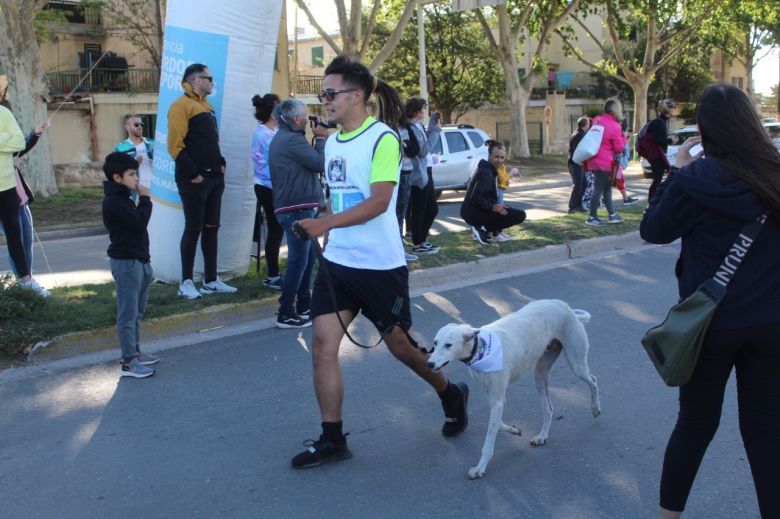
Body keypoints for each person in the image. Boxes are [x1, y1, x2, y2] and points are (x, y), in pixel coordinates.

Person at [292, 56, 469, 469]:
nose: (325, 100)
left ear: (356, 96)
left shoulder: (383, 139)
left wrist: (323, 223)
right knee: (322, 346)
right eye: (324, 93)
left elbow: (378, 202)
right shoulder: (332, 141)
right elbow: (340, 196)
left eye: (331, 93)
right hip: (337, 262)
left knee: (403, 349)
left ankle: (450, 392)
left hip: (379, 266)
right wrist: (324, 225)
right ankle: (332, 438)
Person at [640, 84, 780, 519]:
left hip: (708, 326)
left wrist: (676, 172)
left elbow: (654, 230)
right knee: (766, 433)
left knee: (696, 425)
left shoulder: (695, 180)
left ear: (703, 129)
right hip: (772, 324)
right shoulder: (775, 173)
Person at [167, 63, 237, 299]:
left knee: (211, 229)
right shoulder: (180, 106)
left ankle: (211, 280)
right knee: (193, 228)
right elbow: (175, 146)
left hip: (214, 177)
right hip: (194, 180)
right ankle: (185, 282)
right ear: (197, 80)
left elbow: (211, 142)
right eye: (209, 78)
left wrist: (221, 164)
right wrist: (193, 174)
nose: (212, 82)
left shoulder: (207, 106)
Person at [268, 99, 328, 329]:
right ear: (295, 119)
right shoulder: (291, 139)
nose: (307, 118)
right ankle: (286, 312)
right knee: (298, 261)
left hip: (297, 207)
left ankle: (304, 304)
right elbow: (319, 162)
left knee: (309, 258)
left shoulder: (287, 138)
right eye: (304, 115)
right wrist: (320, 138)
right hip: (296, 209)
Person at [101, 152, 159, 378]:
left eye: (136, 173)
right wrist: (145, 198)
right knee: (127, 314)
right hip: (126, 263)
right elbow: (137, 224)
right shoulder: (113, 203)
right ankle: (128, 362)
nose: (137, 179)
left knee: (138, 311)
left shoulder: (123, 197)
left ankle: (135, 351)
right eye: (132, 174)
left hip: (140, 260)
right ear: (117, 178)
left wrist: (137, 191)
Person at [0, 103, 47, 296]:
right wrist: (4, 138)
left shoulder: (4, 115)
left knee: (23, 239)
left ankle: (25, 279)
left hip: (17, 197)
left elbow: (21, 144)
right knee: (15, 238)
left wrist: (35, 133)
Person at [460, 140, 526, 244]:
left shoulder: (491, 170)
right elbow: (476, 197)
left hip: (480, 209)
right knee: (520, 215)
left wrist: (497, 206)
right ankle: (481, 228)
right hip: (473, 212)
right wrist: (493, 207)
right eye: (496, 157)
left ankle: (487, 230)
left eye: (502, 157)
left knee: (510, 211)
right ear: (489, 156)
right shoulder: (486, 173)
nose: (499, 160)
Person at [250, 93, 284, 290]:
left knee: (277, 229)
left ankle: (274, 272)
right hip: (267, 186)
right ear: (273, 113)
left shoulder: (273, 131)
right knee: (275, 229)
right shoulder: (264, 134)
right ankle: (273, 274)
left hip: (273, 185)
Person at [406, 98, 442, 255]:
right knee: (420, 209)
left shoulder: (419, 125)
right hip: (418, 173)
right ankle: (418, 243)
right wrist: (436, 132)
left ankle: (422, 239)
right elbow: (422, 150)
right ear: (416, 111)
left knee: (432, 209)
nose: (425, 112)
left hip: (426, 168)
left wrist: (433, 126)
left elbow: (425, 142)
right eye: (423, 109)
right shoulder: (410, 127)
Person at [583, 99, 626, 226]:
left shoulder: (597, 120)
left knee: (606, 188)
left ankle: (612, 215)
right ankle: (592, 217)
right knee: (598, 189)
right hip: (606, 162)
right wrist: (624, 138)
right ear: (616, 110)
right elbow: (619, 148)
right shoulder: (615, 126)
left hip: (594, 160)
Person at [645, 98, 678, 204]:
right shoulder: (660, 122)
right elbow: (657, 140)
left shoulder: (661, 121)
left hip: (658, 155)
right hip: (657, 156)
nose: (675, 109)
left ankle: (654, 202)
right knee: (657, 180)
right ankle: (652, 203)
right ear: (668, 109)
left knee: (658, 180)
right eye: (674, 107)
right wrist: (670, 140)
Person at [395, 113, 418, 262]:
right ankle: (397, 248)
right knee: (396, 212)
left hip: (407, 171)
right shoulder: (389, 128)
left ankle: (399, 247)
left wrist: (406, 146)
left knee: (402, 212)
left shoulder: (407, 128)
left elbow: (414, 149)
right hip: (396, 172)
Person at [114, 114, 154, 188]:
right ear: (127, 127)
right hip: (134, 192)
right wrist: (133, 164)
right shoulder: (121, 148)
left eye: (141, 124)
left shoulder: (152, 144)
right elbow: (116, 169)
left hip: (155, 191)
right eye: (136, 125)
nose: (140, 127)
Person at [567, 116, 589, 214]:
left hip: (576, 162)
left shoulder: (578, 133)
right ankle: (572, 207)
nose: (589, 125)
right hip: (575, 162)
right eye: (588, 123)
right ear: (585, 125)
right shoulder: (580, 134)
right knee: (578, 185)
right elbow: (578, 150)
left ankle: (579, 205)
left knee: (583, 184)